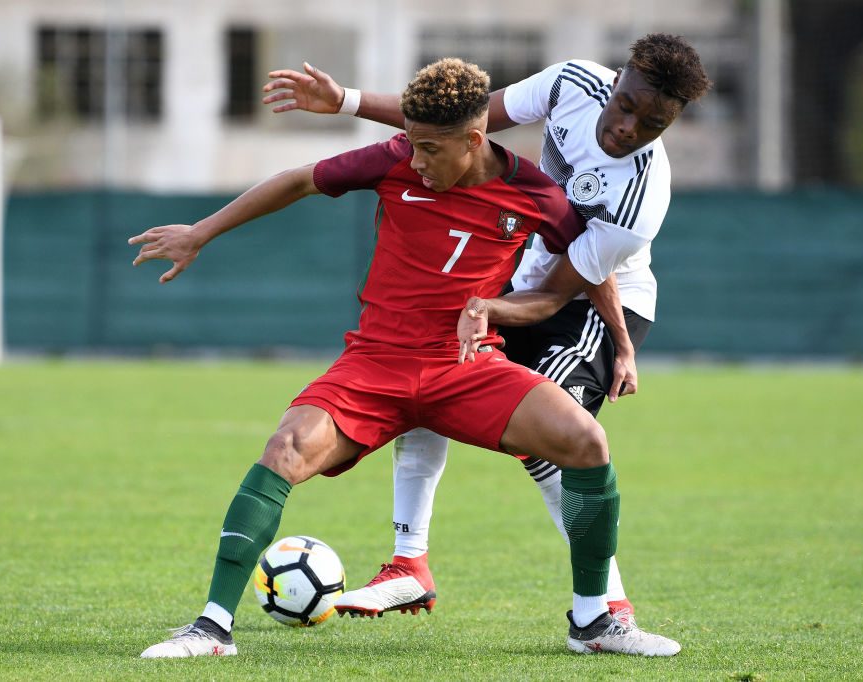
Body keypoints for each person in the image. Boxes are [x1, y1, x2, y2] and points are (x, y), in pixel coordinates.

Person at [133, 58, 680, 658]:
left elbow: (579, 272)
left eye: (428, 149)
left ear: (473, 142)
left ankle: (593, 622)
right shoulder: (395, 159)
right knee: (284, 450)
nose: (413, 159)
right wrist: (200, 233)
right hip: (376, 364)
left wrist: (596, 336)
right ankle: (211, 628)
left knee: (586, 442)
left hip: (464, 368)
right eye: (412, 146)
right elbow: (298, 179)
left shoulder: (535, 193)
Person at [261, 34, 711, 623]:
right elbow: (458, 122)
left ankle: (607, 605)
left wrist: (621, 345)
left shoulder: (641, 197)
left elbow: (565, 286)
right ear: (619, 78)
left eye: (651, 124)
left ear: (670, 123)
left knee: (553, 444)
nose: (628, 126)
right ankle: (407, 564)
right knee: (427, 367)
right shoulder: (571, 83)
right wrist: (346, 100)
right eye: (626, 104)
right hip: (524, 283)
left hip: (597, 305)